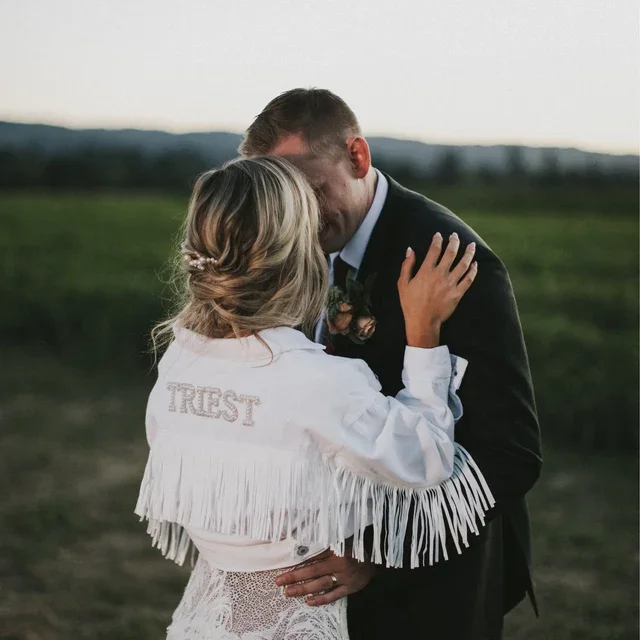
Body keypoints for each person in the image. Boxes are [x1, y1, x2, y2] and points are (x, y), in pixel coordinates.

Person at [135, 155, 493, 639]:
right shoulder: (320, 381)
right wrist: (423, 333)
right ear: (298, 257)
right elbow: (424, 456)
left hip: (206, 619)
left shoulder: (180, 355)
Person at [239, 89, 543, 640]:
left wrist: (379, 550)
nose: (297, 218)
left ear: (357, 157)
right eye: (282, 198)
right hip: (313, 563)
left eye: (310, 190)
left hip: (429, 583)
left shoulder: (449, 259)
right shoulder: (291, 241)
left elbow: (511, 453)